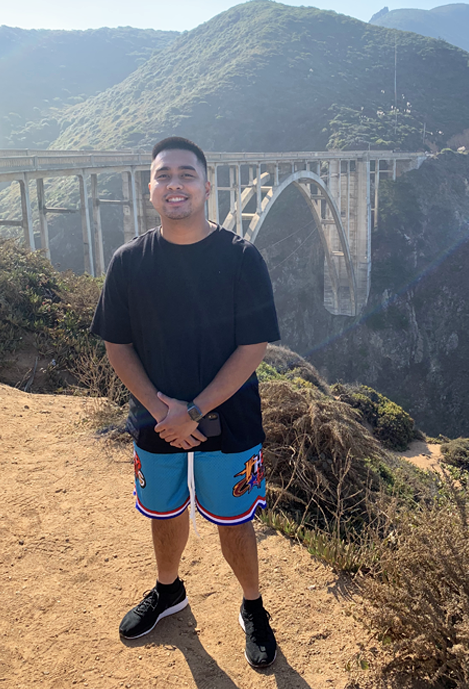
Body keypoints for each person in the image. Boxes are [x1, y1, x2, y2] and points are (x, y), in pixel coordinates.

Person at [90, 137, 280, 667]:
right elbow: (116, 343)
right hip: (156, 420)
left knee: (234, 518)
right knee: (164, 509)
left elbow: (253, 346)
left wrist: (191, 411)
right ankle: (169, 591)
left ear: (206, 185)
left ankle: (253, 606)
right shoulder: (129, 261)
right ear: (150, 188)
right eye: (164, 175)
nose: (175, 184)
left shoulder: (242, 258)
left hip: (230, 419)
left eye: (186, 175)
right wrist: (159, 410)